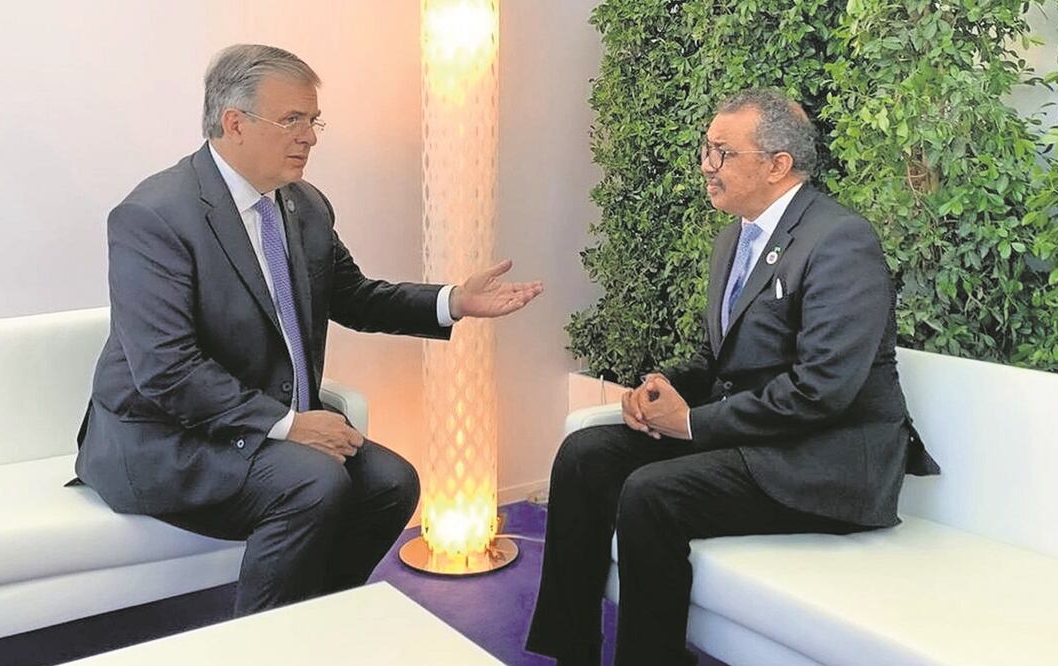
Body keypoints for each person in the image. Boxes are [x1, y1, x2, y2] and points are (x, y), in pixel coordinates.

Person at [74, 44, 542, 615]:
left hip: (257, 429)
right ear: (234, 123)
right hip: (166, 439)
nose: (311, 136)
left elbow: (354, 296)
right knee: (312, 483)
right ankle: (259, 646)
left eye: (313, 119)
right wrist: (289, 425)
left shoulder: (303, 205)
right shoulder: (154, 216)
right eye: (293, 119)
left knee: (393, 481)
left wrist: (454, 302)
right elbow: (167, 371)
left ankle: (317, 621)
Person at [526, 88, 938, 665]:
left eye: (722, 153)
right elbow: (718, 358)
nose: (706, 166)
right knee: (585, 454)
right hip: (757, 440)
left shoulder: (840, 241)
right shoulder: (736, 237)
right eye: (706, 150)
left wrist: (691, 424)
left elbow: (821, 390)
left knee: (652, 493)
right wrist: (659, 386)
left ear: (777, 166)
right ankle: (569, 650)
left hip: (823, 464)